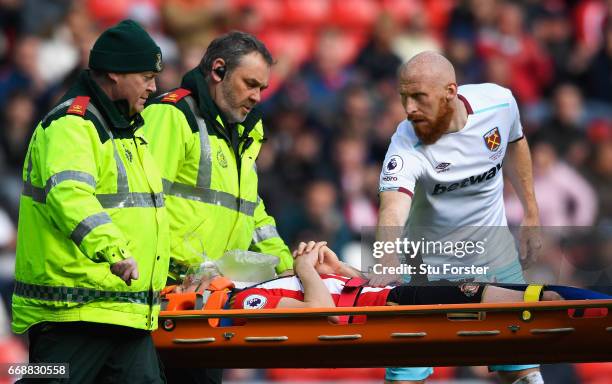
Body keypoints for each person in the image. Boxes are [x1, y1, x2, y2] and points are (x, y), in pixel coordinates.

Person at [12, 20, 168, 383]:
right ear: (114, 73)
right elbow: (70, 196)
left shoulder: (129, 131)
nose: (154, 86)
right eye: (146, 75)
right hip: (73, 312)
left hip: (124, 310)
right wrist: (113, 250)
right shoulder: (72, 125)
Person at [374, 51, 542, 383]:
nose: (409, 108)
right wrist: (386, 256)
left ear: (450, 92)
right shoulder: (406, 143)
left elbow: (515, 144)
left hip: (496, 258)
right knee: (406, 379)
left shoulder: (499, 103)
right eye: (404, 97)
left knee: (524, 374)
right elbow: (392, 207)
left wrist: (532, 212)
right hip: (423, 273)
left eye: (419, 97)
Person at [142, 31, 294, 383]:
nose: (257, 97)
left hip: (211, 300)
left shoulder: (242, 132)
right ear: (218, 70)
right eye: (250, 84)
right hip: (168, 298)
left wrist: (285, 266)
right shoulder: (171, 117)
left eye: (262, 89)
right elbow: (143, 203)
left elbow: (252, 212)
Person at [180, 241, 608, 314]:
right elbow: (319, 312)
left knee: (497, 286)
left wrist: (334, 268)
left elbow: (350, 287)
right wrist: (307, 271)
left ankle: (584, 301)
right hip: (387, 304)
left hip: (381, 293)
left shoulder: (249, 288)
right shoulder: (243, 302)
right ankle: (562, 306)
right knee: (479, 293)